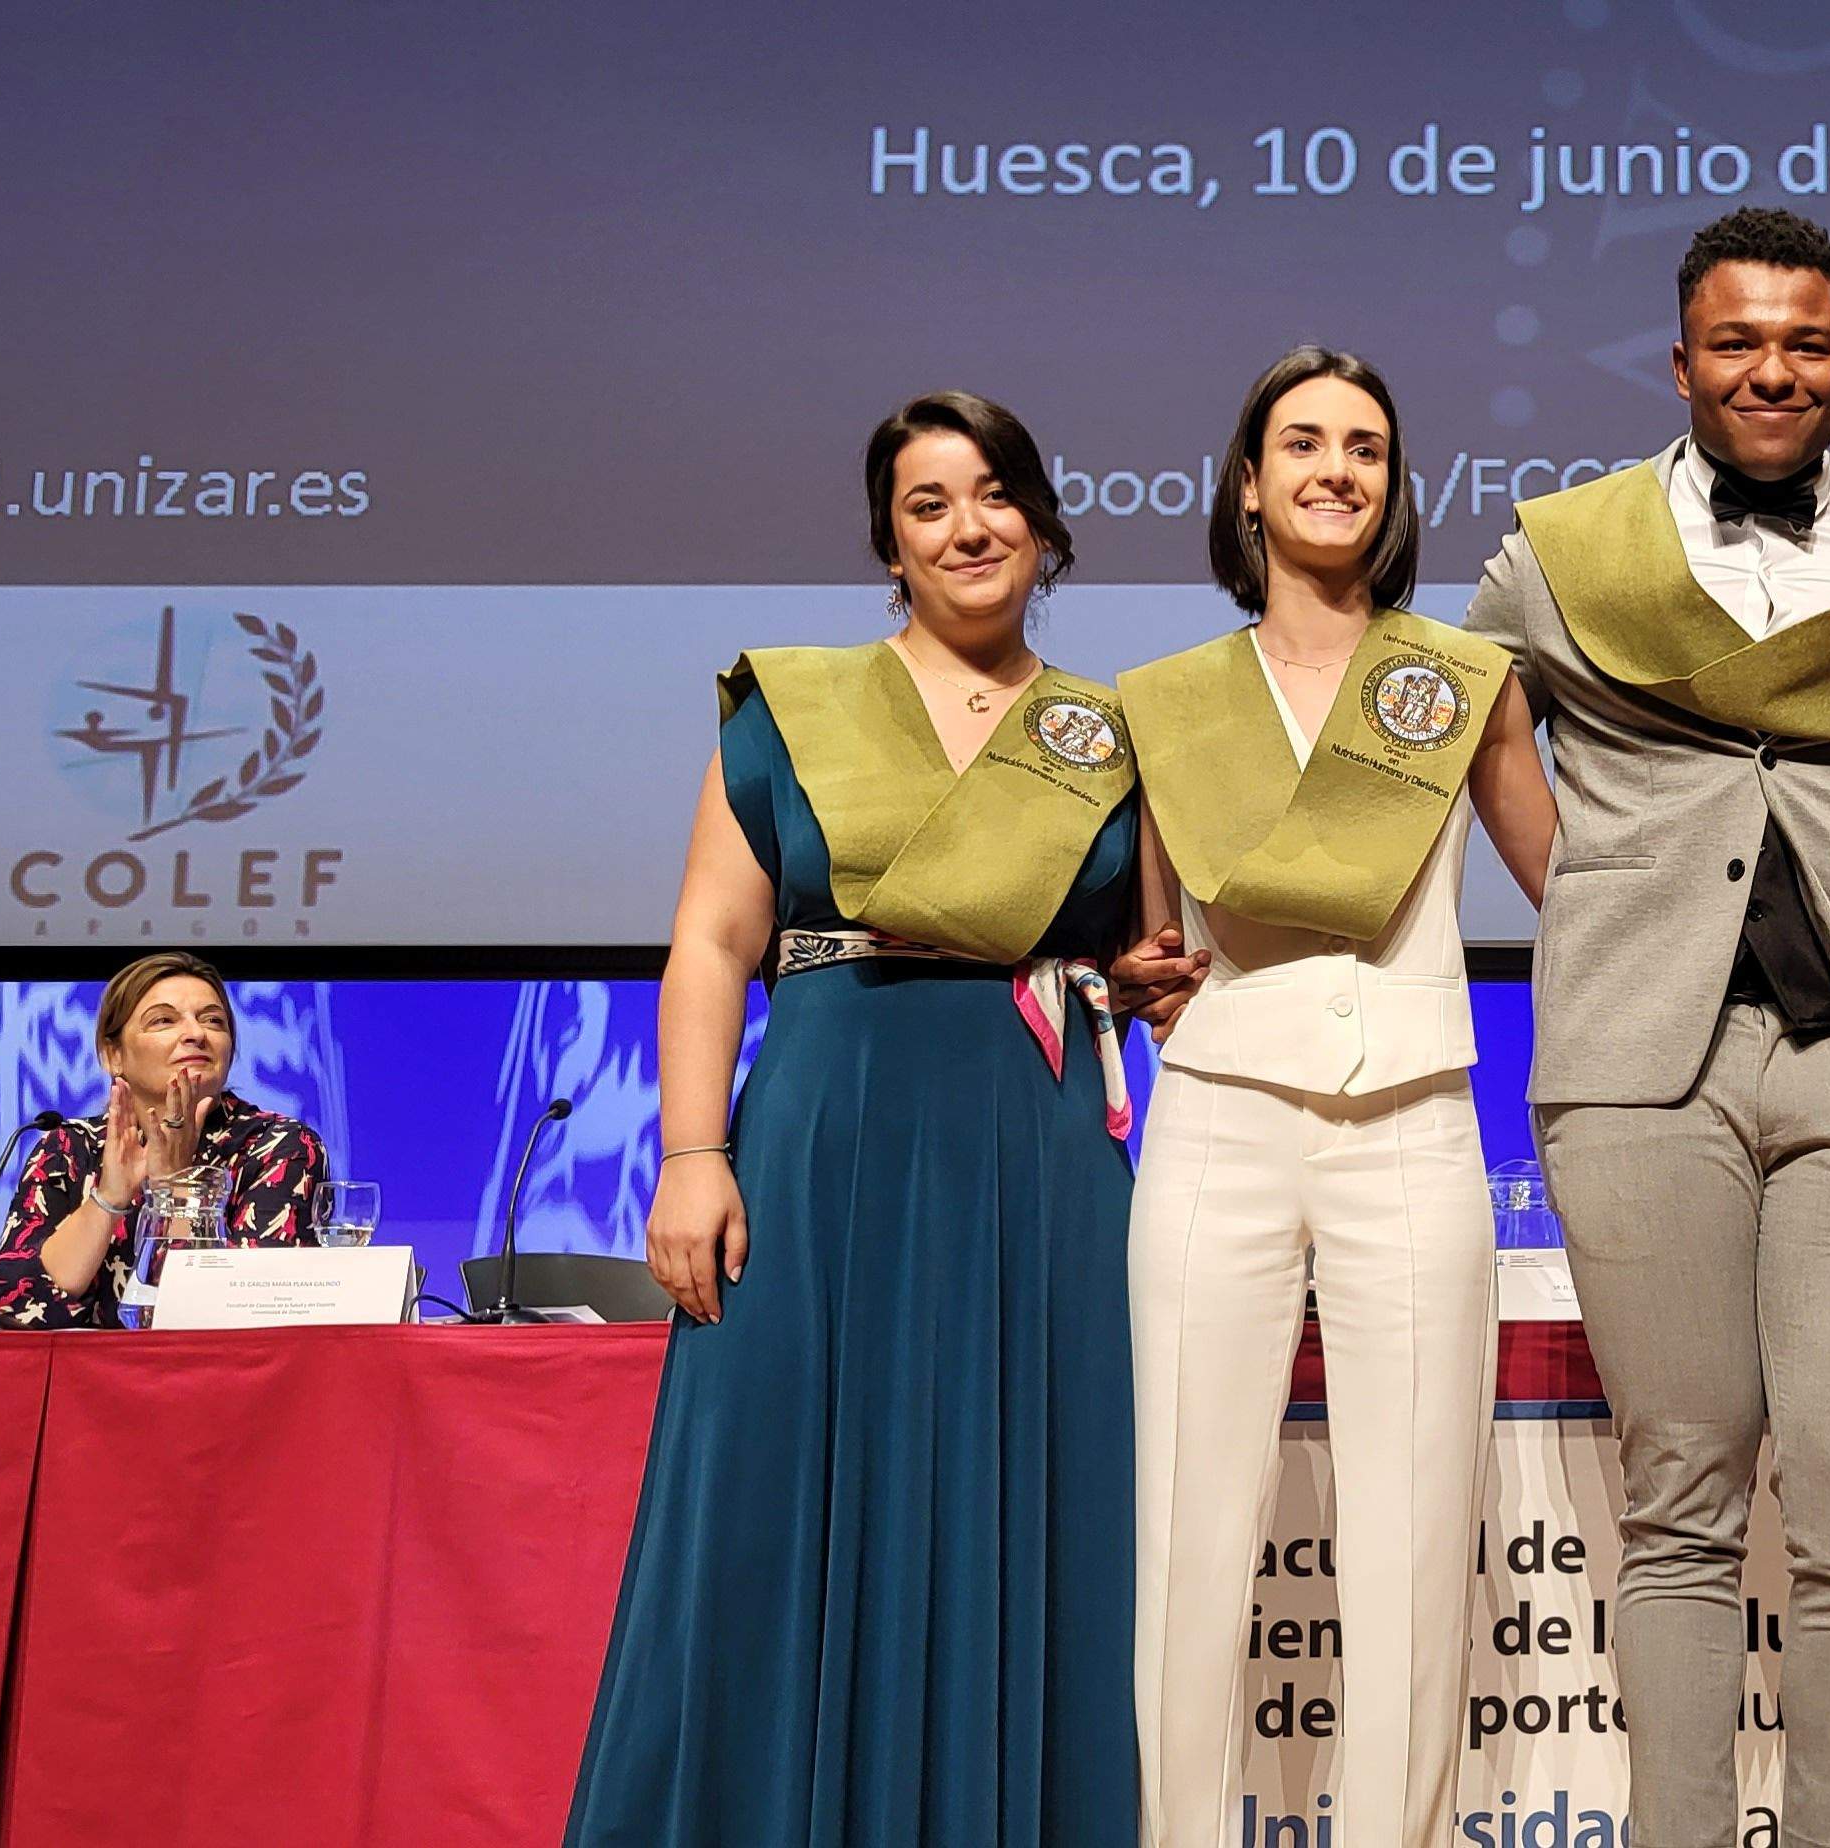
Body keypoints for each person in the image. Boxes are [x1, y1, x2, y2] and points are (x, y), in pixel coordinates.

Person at [1460, 207, 1830, 1848]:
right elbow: (1472, 711)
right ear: (1681, 361)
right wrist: (1584, 888)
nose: (1771, 369)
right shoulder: (1561, 550)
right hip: (1640, 1068)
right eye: (1738, 342)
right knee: (1683, 1502)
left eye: (1805, 343)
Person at [567, 390, 1179, 1847]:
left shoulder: (1115, 732)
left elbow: (1149, 957)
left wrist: (1154, 981)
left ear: (1044, 527)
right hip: (823, 1138)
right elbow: (713, 942)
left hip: (1034, 1149)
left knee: (1041, 1498)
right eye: (927, 505)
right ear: (889, 546)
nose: (968, 528)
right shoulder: (793, 709)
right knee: (763, 1498)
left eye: (995, 496)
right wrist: (692, 1155)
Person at [1113, 348, 1557, 1848]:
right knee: (1186, 1542)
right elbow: (1152, 941)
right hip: (1218, 1120)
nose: (1335, 470)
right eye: (1301, 444)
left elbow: (1573, 890)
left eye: (1365, 448)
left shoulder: (1463, 683)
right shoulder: (1169, 701)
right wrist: (1127, 974)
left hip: (1414, 1121)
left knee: (1417, 1548)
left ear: (1394, 485)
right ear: (1248, 484)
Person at [0, 950, 329, 1329]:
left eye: (213, 1021)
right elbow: (12, 1306)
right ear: (113, 1055)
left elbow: (247, 1311)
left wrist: (176, 1187)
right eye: (163, 1020)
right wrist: (108, 1199)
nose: (196, 1034)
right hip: (82, 1367)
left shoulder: (279, 1146)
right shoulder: (68, 1148)